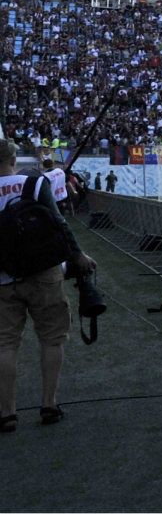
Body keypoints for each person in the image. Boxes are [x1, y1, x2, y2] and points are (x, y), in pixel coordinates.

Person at [1, 140, 97, 431]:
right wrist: (77, 255)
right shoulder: (32, 183)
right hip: (44, 273)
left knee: (5, 344)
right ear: (14, 158)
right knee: (52, 338)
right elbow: (59, 223)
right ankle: (49, 404)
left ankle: (6, 413)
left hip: (3, 279)